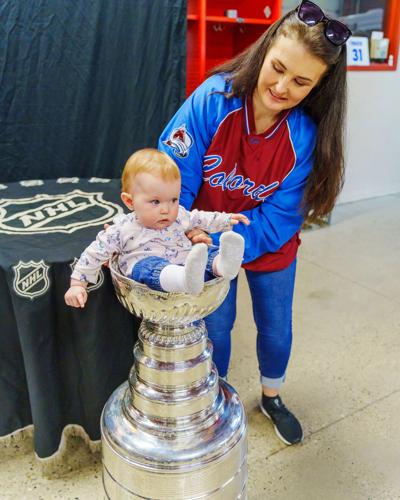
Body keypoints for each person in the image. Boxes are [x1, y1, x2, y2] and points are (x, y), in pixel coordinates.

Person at [158, 0, 351, 445]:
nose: (282, 86)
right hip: (200, 239)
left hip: (266, 242)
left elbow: (281, 216)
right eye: (278, 68)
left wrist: (229, 244)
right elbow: (175, 177)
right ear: (264, 51)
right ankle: (216, 399)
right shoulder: (213, 99)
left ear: (319, 86)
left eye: (301, 81)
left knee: (276, 326)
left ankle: (271, 396)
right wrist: (192, 236)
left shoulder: (303, 136)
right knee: (216, 327)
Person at [64, 148, 249, 308]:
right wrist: (78, 284)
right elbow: (95, 252)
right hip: (149, 274)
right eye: (155, 202)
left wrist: (226, 219)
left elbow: (200, 217)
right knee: (148, 267)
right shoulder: (122, 229)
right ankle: (183, 278)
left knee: (206, 251)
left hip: (187, 263)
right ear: (129, 201)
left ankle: (223, 264)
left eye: (174, 200)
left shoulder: (180, 216)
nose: (166, 209)